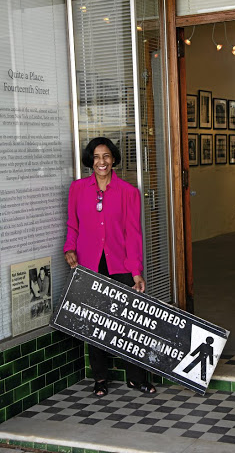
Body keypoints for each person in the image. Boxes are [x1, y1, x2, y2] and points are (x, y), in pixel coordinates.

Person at [64, 137, 156, 397]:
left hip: (120, 264)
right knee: (96, 323)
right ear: (90, 161)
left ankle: (136, 378)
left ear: (114, 159)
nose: (101, 161)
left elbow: (133, 235)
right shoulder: (78, 189)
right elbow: (73, 225)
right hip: (89, 264)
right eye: (96, 157)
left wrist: (136, 271)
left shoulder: (128, 192)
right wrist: (69, 248)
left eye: (106, 156)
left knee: (128, 323)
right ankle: (100, 378)